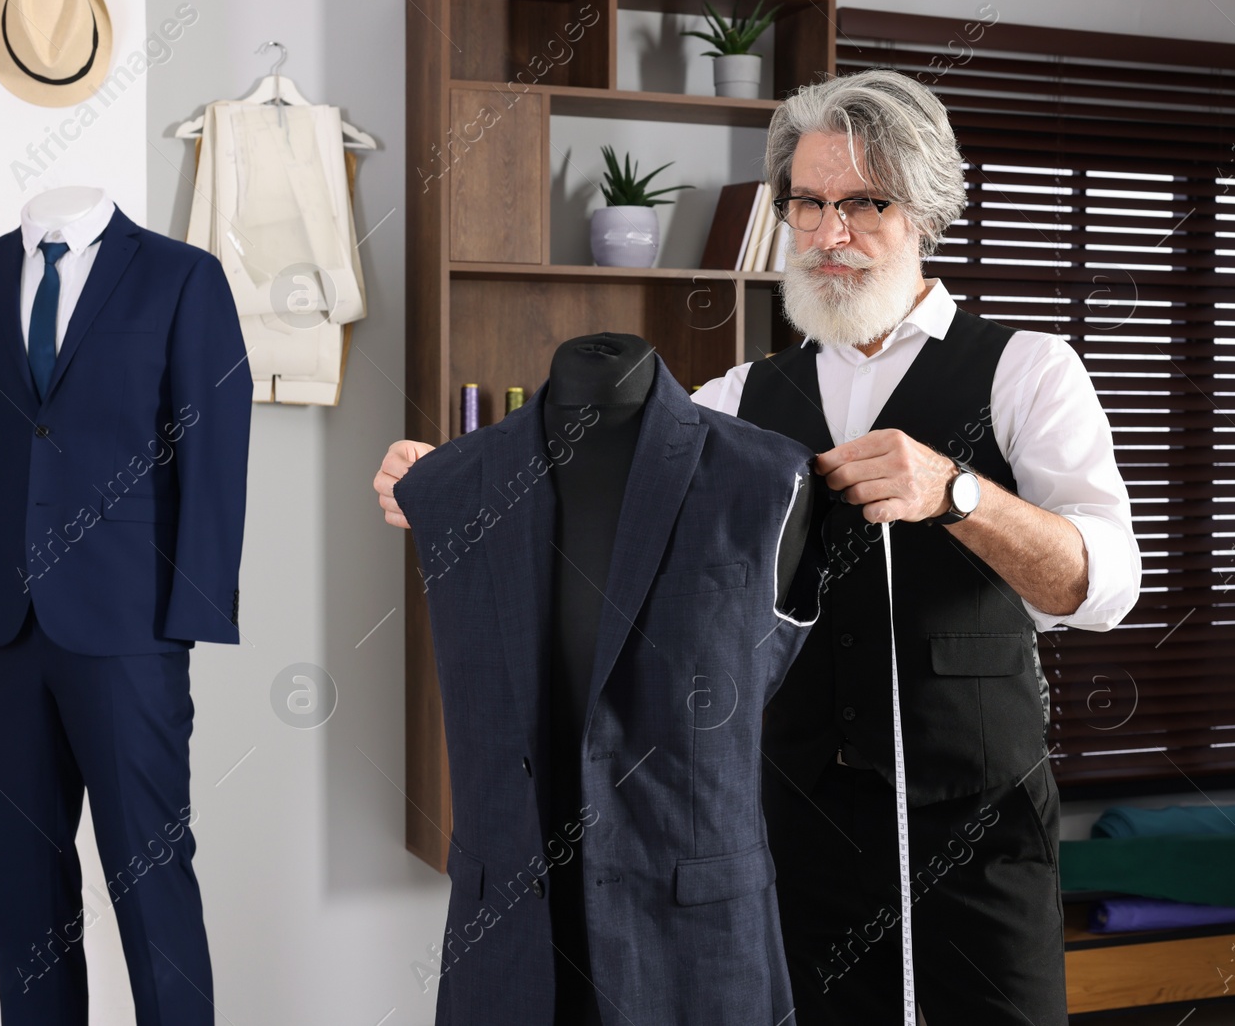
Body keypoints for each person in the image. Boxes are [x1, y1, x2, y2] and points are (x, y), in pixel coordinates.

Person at [375, 69, 1140, 1024]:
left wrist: (959, 493)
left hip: (972, 829)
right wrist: (461, 487)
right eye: (808, 204)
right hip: (788, 826)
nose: (830, 233)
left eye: (866, 203)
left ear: (927, 211)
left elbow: (1100, 586)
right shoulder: (735, 397)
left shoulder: (1028, 371)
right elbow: (608, 500)